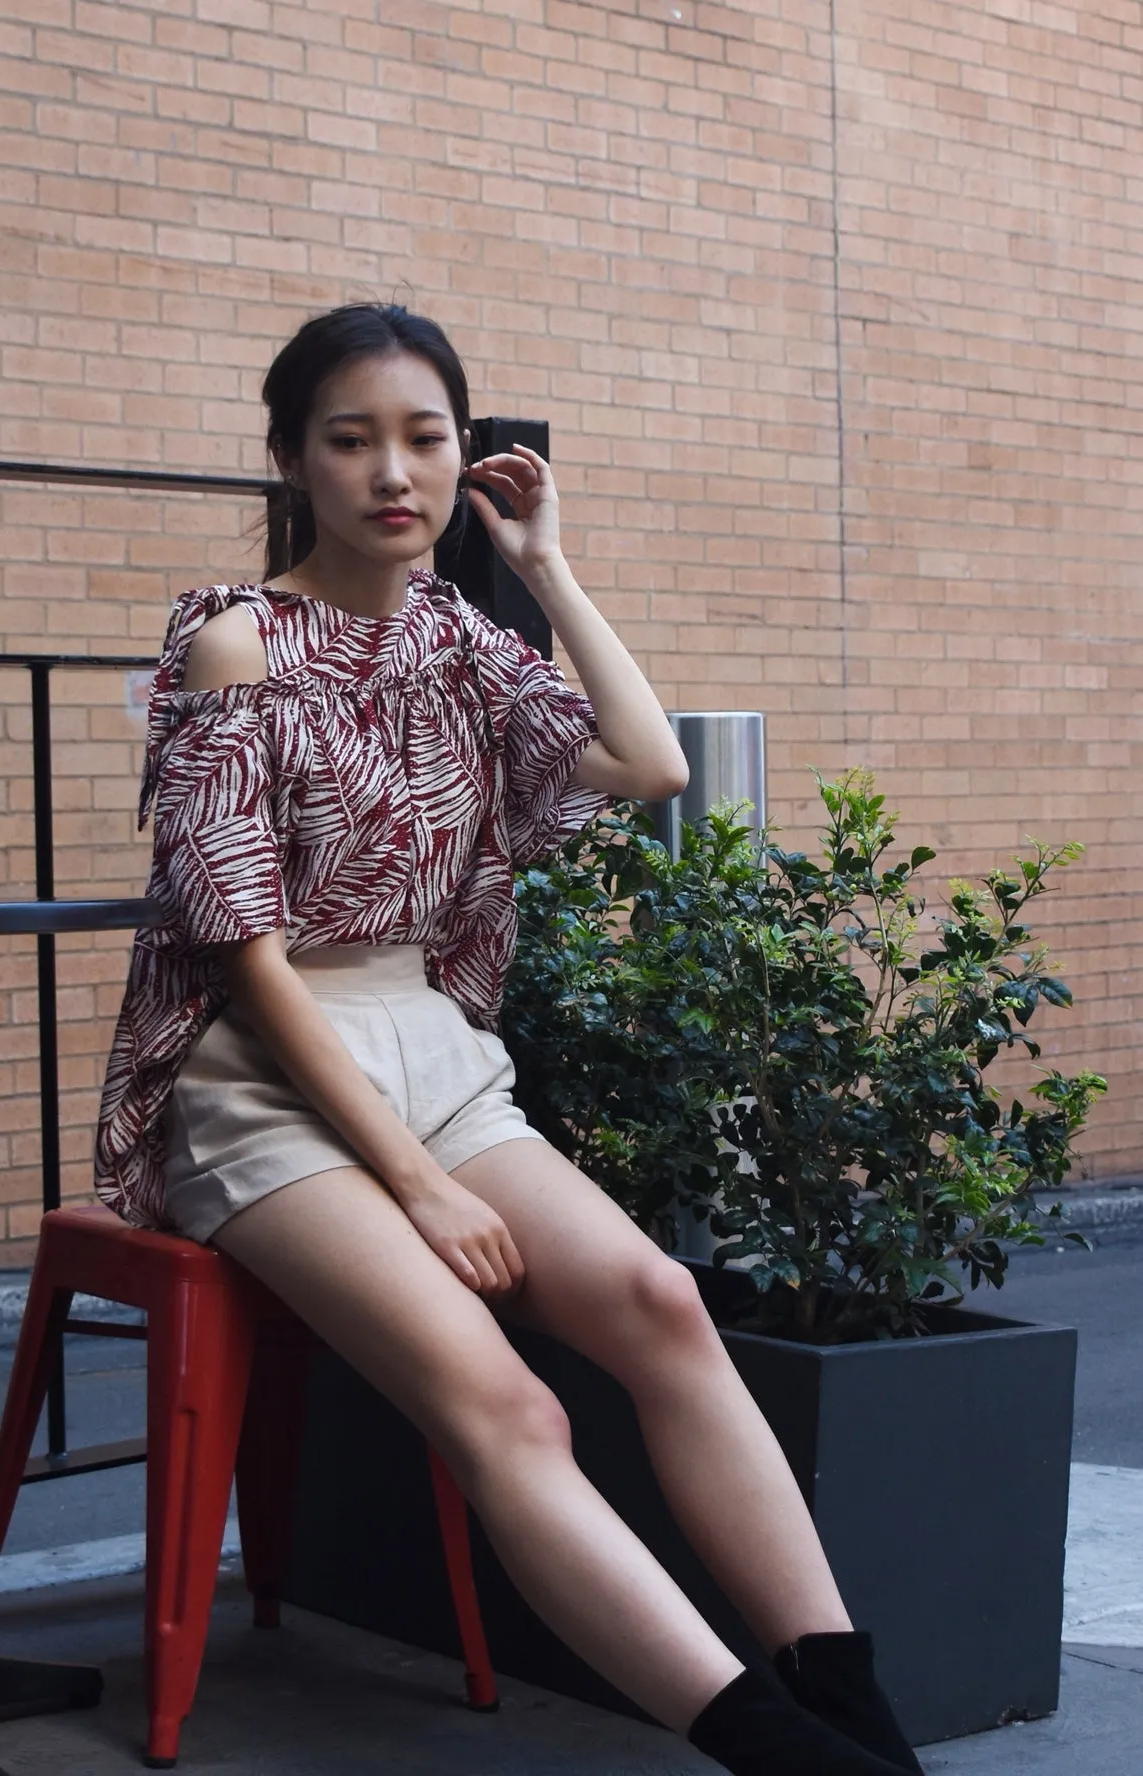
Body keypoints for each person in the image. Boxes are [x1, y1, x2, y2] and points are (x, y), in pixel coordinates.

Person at [96, 303, 924, 1776]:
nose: (391, 472)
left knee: (662, 1305)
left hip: (433, 1043)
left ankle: (852, 1706)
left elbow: (648, 762)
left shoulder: (459, 638)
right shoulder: (234, 638)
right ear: (288, 456)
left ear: (465, 454)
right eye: (349, 439)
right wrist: (415, 1188)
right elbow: (237, 947)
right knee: (507, 1405)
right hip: (266, 1079)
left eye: (425, 438)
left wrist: (544, 563)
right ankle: (793, 1761)